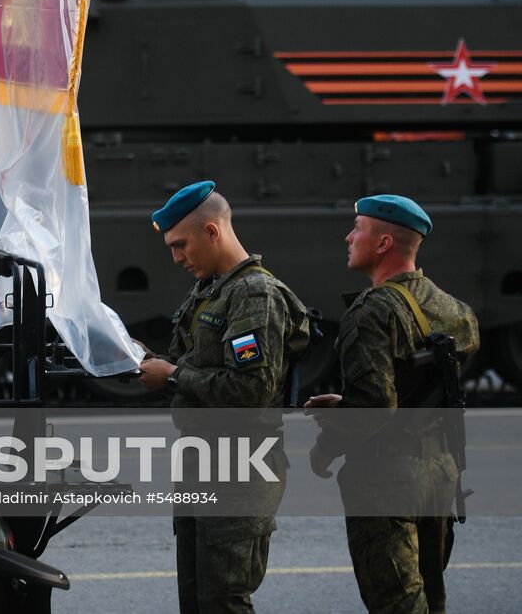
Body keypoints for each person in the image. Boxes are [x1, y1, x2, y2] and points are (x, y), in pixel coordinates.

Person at [136, 180, 310, 614]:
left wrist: (172, 376)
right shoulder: (211, 290)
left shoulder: (253, 294)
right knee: (197, 599)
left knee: (223, 601)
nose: (176, 258)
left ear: (212, 232)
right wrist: (145, 360)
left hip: (241, 469)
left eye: (181, 245)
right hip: (204, 461)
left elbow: (249, 391)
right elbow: (192, 364)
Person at [305, 196, 479, 614]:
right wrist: (353, 402)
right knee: (432, 599)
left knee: (396, 603)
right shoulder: (455, 309)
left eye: (357, 228)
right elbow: (421, 387)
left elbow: (376, 405)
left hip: (386, 480)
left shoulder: (371, 312)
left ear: (383, 243)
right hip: (439, 471)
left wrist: (327, 444)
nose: (349, 237)